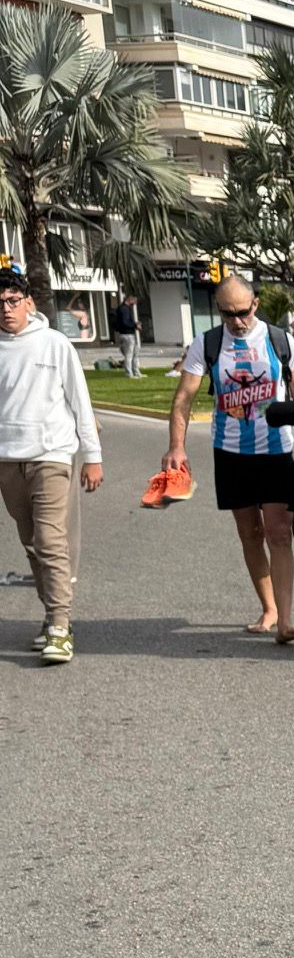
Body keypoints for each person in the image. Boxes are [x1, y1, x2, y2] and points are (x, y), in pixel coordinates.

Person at [166, 275, 294, 643]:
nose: (236, 321)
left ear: (255, 305)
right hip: (230, 453)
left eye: (242, 312)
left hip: (275, 450)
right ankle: (269, 608)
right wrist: (177, 446)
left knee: (279, 532)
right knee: (250, 534)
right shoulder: (207, 344)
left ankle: (286, 619)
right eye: (227, 314)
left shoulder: (280, 341)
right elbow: (184, 398)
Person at [0, 269, 102, 664]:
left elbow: (81, 403)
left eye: (13, 301)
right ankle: (51, 616)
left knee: (49, 539)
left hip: (52, 455)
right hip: (8, 459)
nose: (6, 310)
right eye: (0, 304)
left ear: (29, 302)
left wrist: (92, 456)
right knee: (31, 543)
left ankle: (60, 624)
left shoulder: (55, 344)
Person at [109, 293, 142, 377]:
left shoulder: (123, 308)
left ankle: (136, 371)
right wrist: (135, 325)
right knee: (129, 354)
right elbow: (125, 322)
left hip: (127, 334)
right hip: (127, 334)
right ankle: (129, 373)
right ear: (130, 298)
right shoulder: (124, 309)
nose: (135, 302)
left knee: (134, 353)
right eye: (134, 299)